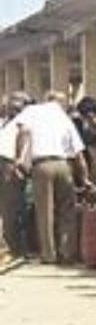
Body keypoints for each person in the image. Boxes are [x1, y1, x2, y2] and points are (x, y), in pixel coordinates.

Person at [12, 92, 87, 264]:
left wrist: (20, 159)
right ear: (61, 103)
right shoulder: (64, 117)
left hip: (42, 165)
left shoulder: (32, 110)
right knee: (67, 210)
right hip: (63, 164)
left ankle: (49, 255)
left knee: (44, 212)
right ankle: (67, 253)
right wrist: (84, 178)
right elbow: (78, 153)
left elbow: (23, 131)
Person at [0, 93, 31, 267]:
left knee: (12, 208)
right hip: (3, 163)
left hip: (10, 165)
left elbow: (24, 146)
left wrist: (19, 166)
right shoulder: (6, 123)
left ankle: (16, 249)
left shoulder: (23, 125)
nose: (12, 109)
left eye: (16, 106)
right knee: (6, 209)